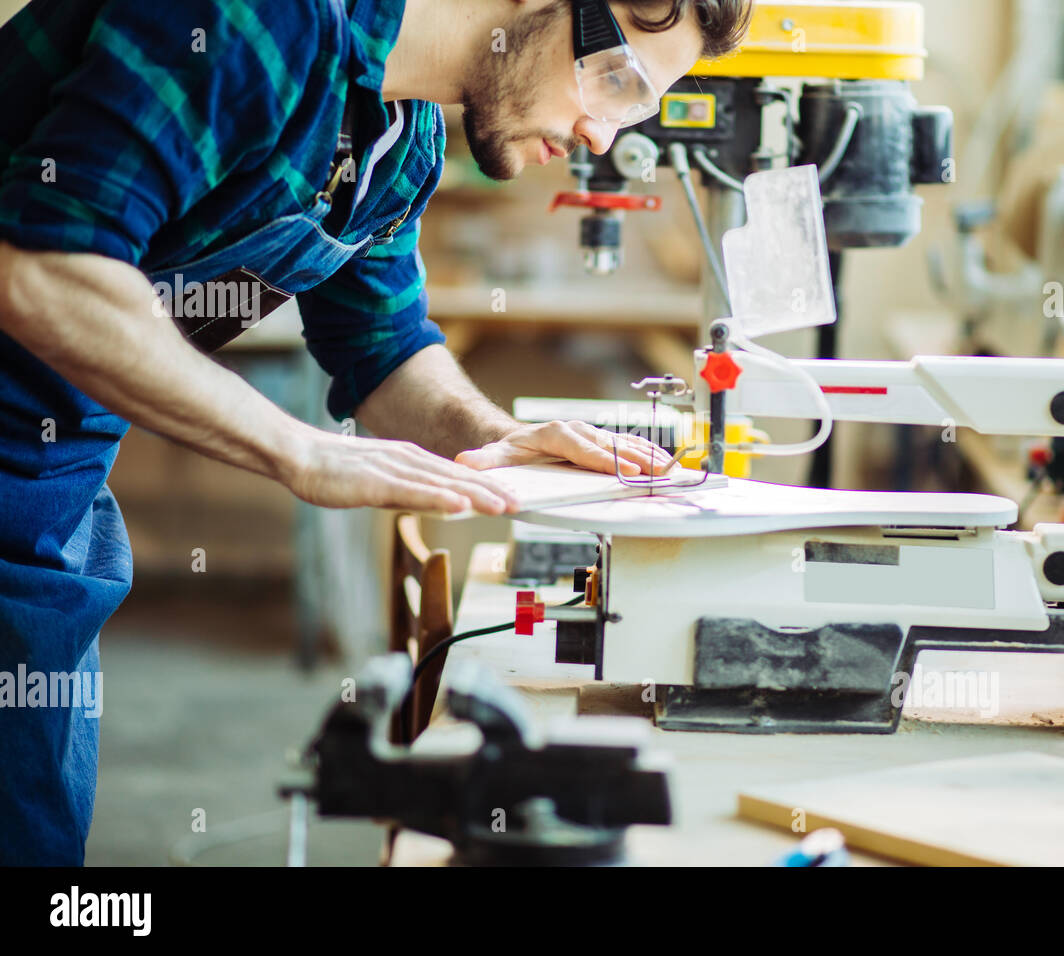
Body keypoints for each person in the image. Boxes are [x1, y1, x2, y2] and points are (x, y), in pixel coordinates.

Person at [0, 0, 752, 865]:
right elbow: (48, 270)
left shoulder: (402, 142)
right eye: (617, 81)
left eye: (636, 108)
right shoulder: (257, 19)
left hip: (47, 475)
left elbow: (383, 348)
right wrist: (299, 450)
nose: (599, 134)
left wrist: (494, 434)